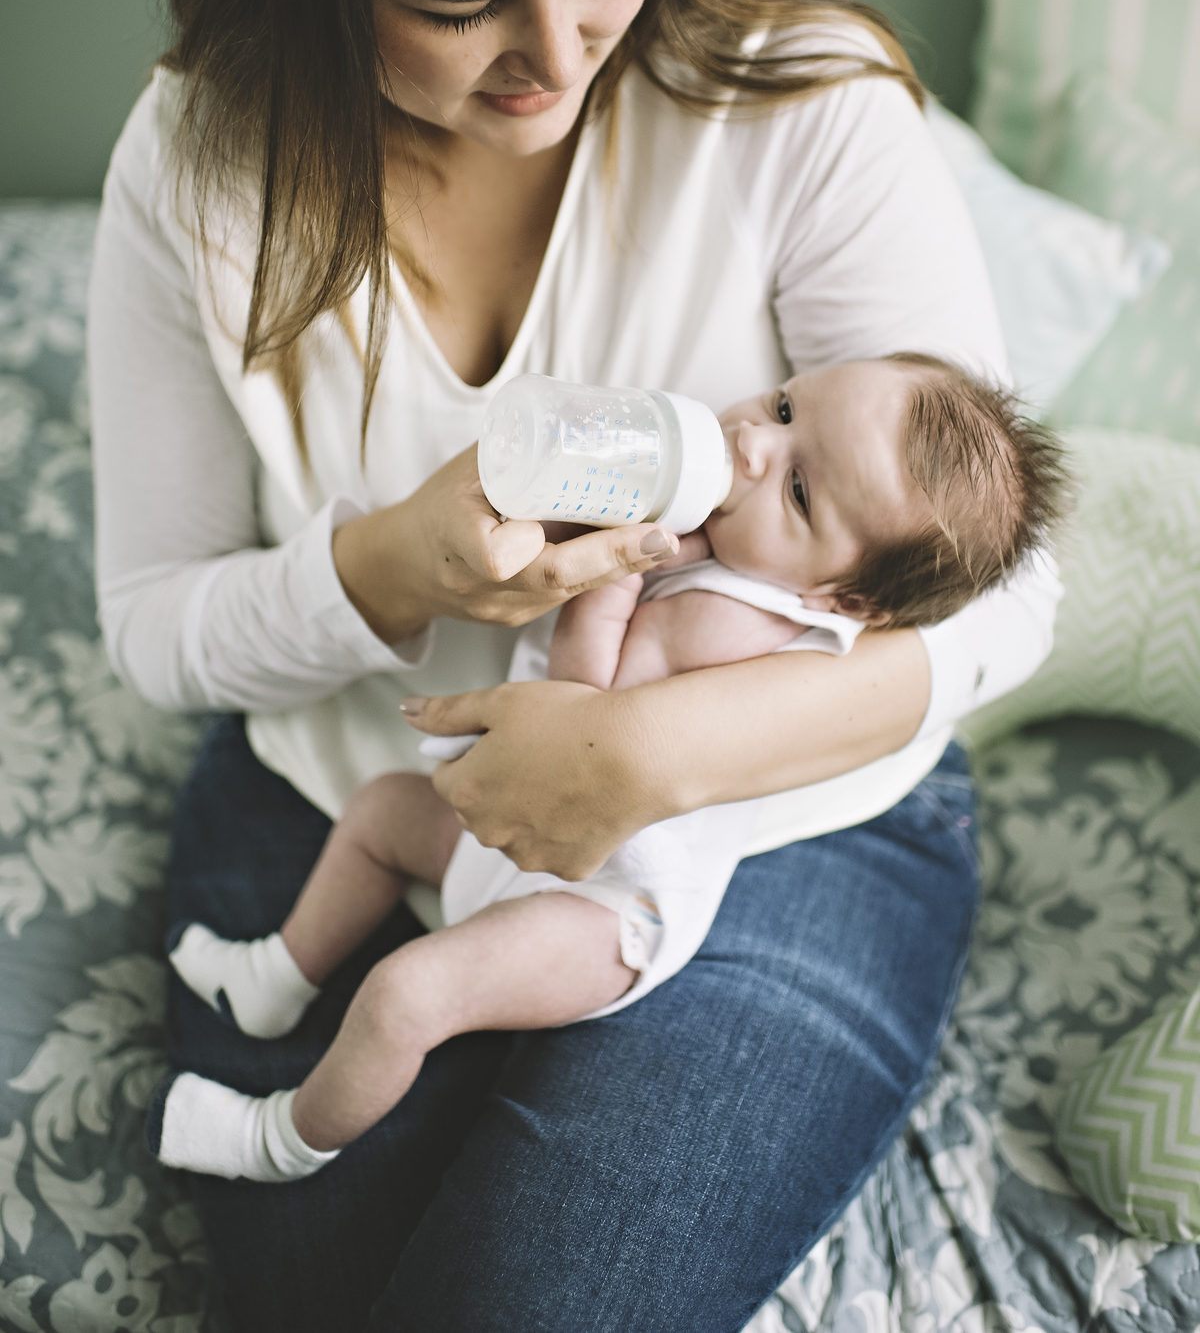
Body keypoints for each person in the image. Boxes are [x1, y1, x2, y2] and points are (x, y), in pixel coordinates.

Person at [87, 0, 1062, 1331]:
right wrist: (386, 565)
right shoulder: (197, 164)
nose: (556, 57)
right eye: (461, 6)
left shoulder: (793, 98)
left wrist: (653, 750)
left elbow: (1008, 599)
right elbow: (152, 619)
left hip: (772, 830)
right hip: (353, 782)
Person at [155, 355, 1068, 1184]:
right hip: (516, 839)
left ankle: (282, 1141)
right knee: (381, 812)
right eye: (787, 404)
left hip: (601, 914)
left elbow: (577, 721)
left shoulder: (737, 623)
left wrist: (618, 572)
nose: (751, 442)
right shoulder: (735, 553)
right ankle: (279, 971)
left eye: (796, 487)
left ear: (844, 597)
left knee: (408, 993)